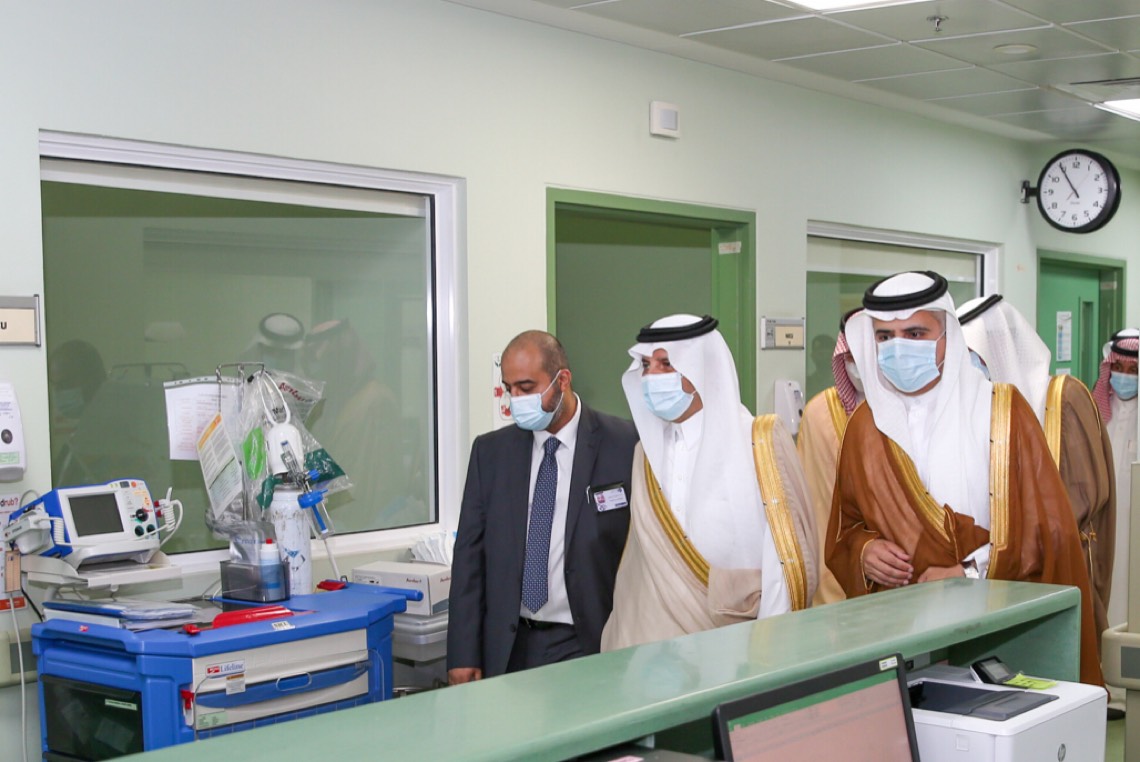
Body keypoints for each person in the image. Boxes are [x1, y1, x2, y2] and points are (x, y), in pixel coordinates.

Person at [825, 271, 1103, 686]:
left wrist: (969, 571)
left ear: (947, 336)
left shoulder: (1002, 413)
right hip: (899, 630)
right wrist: (864, 553)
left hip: (994, 626)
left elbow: (1047, 531)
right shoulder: (865, 426)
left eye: (915, 333)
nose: (898, 347)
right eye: (884, 336)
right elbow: (844, 528)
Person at [601, 315, 815, 651]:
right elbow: (639, 571)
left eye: (666, 364)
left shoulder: (758, 441)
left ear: (702, 367)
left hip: (737, 646)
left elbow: (784, 561)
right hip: (655, 652)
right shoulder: (645, 453)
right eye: (645, 365)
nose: (651, 376)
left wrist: (769, 649)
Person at [448, 331, 638, 682]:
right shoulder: (491, 453)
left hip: (589, 641)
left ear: (562, 380)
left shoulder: (625, 444)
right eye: (509, 389)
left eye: (526, 387)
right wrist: (463, 652)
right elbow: (469, 558)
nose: (516, 400)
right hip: (509, 643)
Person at [958, 295, 1115, 658]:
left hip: (1058, 570)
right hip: (997, 576)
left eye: (973, 356)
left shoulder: (1063, 398)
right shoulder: (979, 410)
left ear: (999, 349)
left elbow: (1080, 500)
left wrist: (1006, 546)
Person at [797, 309, 864, 605]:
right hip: (830, 574)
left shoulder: (911, 412)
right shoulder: (819, 412)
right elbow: (808, 499)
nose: (856, 364)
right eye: (849, 356)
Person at [1097, 329, 1139, 637]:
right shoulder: (1096, 409)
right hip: (1104, 522)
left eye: (1133, 370)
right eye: (1118, 367)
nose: (1124, 376)